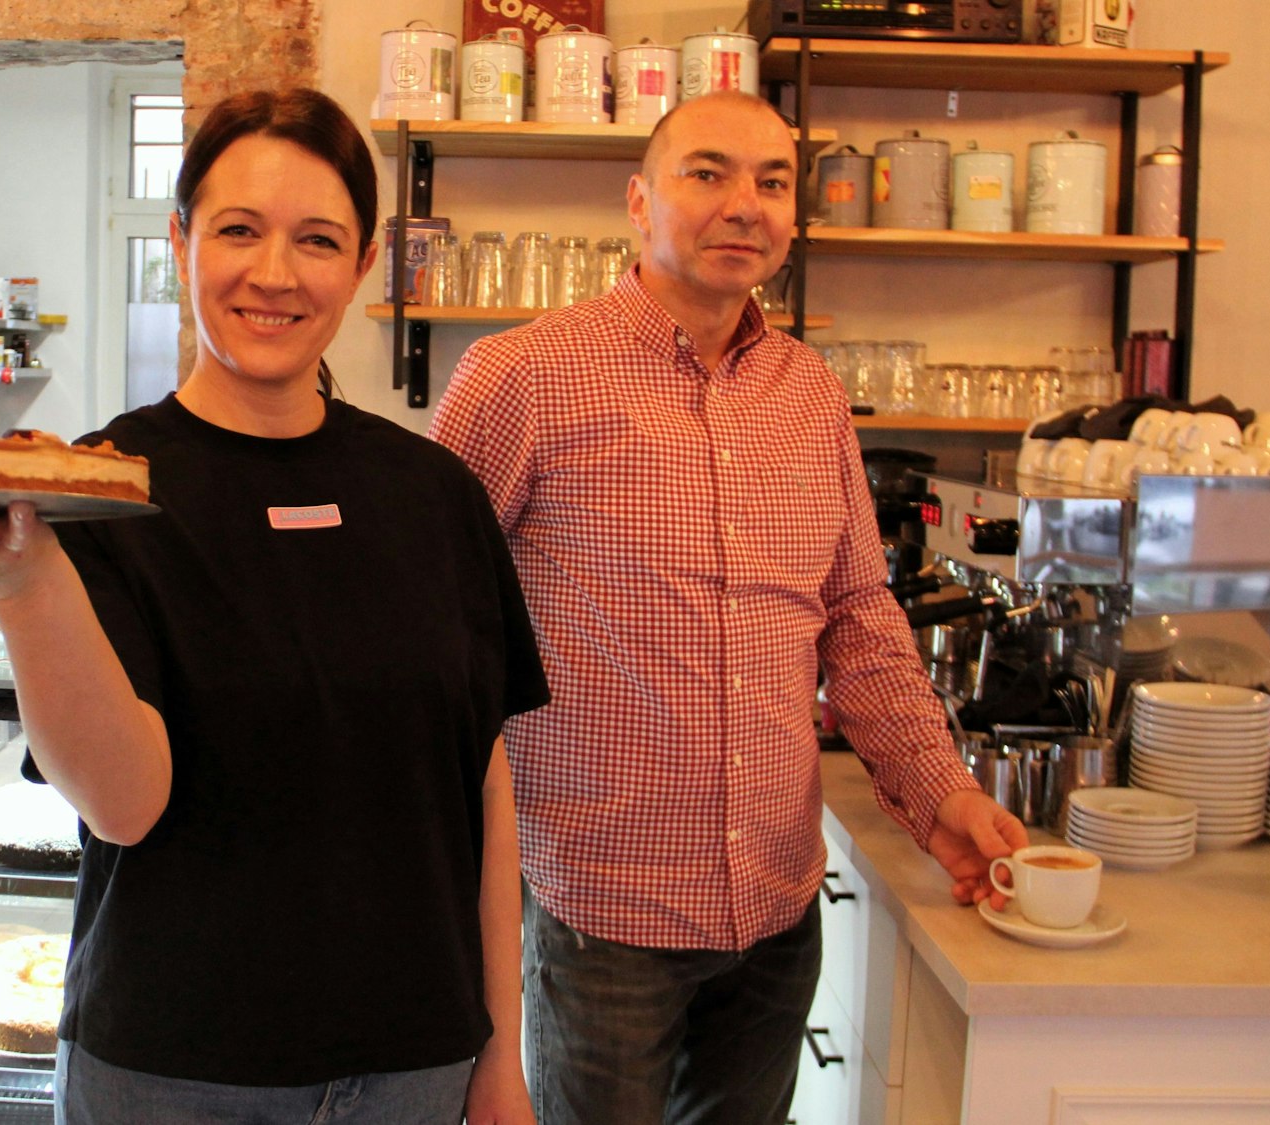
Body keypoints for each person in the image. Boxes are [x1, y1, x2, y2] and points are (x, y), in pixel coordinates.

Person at [0, 87, 547, 1125]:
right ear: (179, 240)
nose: (274, 274)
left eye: (317, 239)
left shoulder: (436, 499)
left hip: (414, 1072)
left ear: (364, 262)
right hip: (170, 1075)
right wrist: (24, 583)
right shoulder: (100, 487)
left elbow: (480, 788)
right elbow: (124, 802)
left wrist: (501, 1055)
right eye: (237, 230)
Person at [427, 90, 1029, 1125]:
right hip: (598, 913)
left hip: (774, 910)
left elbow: (859, 618)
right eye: (707, 173)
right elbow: (428, 611)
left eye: (772, 181)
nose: (743, 204)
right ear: (636, 199)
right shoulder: (523, 374)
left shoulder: (808, 392)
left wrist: (942, 799)